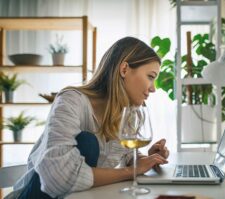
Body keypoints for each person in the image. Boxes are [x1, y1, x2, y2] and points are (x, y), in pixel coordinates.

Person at [6, 37, 169, 199]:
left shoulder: (127, 113)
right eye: (150, 76)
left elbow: (125, 154)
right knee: (87, 141)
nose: (153, 88)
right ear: (124, 69)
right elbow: (56, 177)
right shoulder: (71, 101)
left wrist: (146, 158)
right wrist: (128, 172)